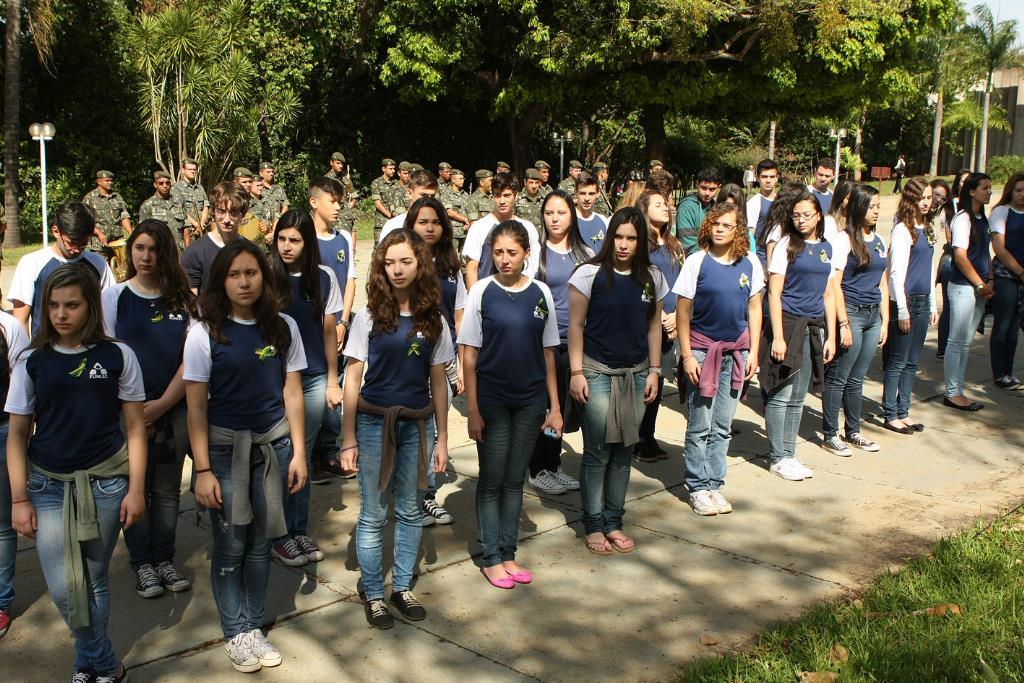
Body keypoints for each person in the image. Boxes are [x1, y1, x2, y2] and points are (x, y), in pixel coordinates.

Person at [7, 263, 147, 683]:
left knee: (94, 579)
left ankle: (86, 665)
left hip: (106, 483)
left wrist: (135, 489)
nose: (60, 314)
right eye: (53, 305)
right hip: (47, 485)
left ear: (90, 307)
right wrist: (19, 498)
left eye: (71, 305)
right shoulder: (31, 361)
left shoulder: (118, 355)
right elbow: (17, 434)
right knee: (65, 587)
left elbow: (135, 428)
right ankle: (108, 663)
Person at [184, 239, 307, 673]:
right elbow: (195, 407)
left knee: (261, 542)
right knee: (231, 543)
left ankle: (253, 626)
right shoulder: (205, 332)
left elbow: (292, 392)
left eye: (251, 273)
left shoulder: (283, 327)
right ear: (221, 280)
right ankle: (234, 631)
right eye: (234, 274)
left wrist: (299, 453)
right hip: (223, 452)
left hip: (274, 448)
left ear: (264, 277)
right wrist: (202, 469)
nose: (243, 282)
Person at [340, 230, 453, 626]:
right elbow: (352, 379)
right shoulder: (369, 316)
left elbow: (438, 381)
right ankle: (373, 593)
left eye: (405, 261)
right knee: (373, 514)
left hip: (417, 427)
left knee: (409, 511)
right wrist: (348, 437)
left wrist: (442, 437)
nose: (397, 269)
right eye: (389, 263)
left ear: (420, 264)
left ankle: (402, 586)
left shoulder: (434, 320)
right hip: (375, 425)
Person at [460, 221, 561, 587]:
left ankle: (507, 552)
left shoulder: (540, 292)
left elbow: (548, 352)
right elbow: (469, 353)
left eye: (512, 253)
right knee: (492, 479)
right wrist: (473, 409)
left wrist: (555, 406)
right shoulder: (481, 291)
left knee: (515, 480)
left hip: (530, 401)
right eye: (498, 252)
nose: (504, 259)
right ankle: (490, 557)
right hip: (492, 401)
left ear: (526, 254)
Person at [101, 219, 195, 600]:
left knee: (168, 490)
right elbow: (108, 354)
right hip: (128, 412)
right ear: (130, 252)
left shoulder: (183, 300)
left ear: (166, 253)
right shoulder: (114, 297)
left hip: (173, 408)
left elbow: (192, 360)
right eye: (139, 248)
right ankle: (142, 563)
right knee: (134, 486)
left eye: (154, 249)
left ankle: (164, 559)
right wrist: (138, 412)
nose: (146, 256)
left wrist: (161, 406)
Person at [568, 207, 666, 555]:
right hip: (596, 373)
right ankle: (593, 524)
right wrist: (576, 373)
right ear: (610, 238)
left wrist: (655, 370)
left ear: (641, 242)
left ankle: (614, 521)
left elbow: (654, 326)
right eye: (619, 237)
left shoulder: (652, 276)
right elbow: (575, 326)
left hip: (637, 375)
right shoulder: (588, 274)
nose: (624, 244)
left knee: (625, 452)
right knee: (598, 452)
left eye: (631, 238)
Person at [675, 203, 763, 515]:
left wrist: (753, 352)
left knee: (723, 425)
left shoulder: (750, 263)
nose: (720, 229)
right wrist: (687, 356)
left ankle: (714, 484)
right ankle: (697, 486)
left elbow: (755, 307)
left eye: (727, 225)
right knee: (700, 424)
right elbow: (683, 310)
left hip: (736, 353)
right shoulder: (697, 261)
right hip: (702, 351)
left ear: (738, 230)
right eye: (716, 223)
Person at [267, 210, 344, 567]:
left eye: (294, 240)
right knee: (280, 457)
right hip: (274, 381)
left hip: (312, 379)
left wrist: (332, 379)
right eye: (281, 238)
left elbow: (329, 332)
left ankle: (297, 530)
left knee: (301, 454)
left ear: (307, 243)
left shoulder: (324, 277)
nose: (286, 246)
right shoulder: (266, 275)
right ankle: (278, 534)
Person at [759, 190, 836, 481]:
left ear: (818, 216)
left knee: (798, 397)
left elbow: (829, 294)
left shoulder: (826, 247)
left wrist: (830, 335)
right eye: (796, 215)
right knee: (781, 393)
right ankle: (777, 457)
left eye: (806, 215)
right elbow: (774, 293)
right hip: (789, 324)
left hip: (813, 326)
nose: (801, 220)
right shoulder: (786, 245)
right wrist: (778, 336)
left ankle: (789, 453)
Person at [400, 196, 462, 525]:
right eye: (422, 221)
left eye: (436, 222)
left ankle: (425, 496)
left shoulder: (451, 266)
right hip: (411, 357)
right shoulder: (401, 262)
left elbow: (459, 314)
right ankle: (410, 496)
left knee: (436, 429)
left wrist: (459, 363)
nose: (430, 227)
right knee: (414, 430)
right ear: (411, 224)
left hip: (444, 358)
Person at [527, 190, 592, 495]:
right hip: (542, 344)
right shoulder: (535, 254)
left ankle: (552, 464)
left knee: (562, 408)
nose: (554, 219)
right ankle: (536, 468)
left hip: (574, 342)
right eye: (549, 213)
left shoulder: (585, 253)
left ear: (572, 216)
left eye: (561, 213)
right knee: (543, 406)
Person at [821, 184, 888, 456]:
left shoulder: (879, 240)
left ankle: (853, 431)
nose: (876, 212)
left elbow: (883, 283)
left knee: (857, 378)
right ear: (859, 207)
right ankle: (830, 434)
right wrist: (843, 323)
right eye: (872, 207)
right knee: (839, 376)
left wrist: (885, 320)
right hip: (852, 312)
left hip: (873, 314)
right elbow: (834, 284)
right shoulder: (843, 240)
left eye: (879, 207)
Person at [307, 177, 358, 483]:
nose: (338, 207)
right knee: (315, 393)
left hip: (339, 328)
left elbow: (350, 281)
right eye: (333, 201)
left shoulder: (343, 239)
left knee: (336, 389)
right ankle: (310, 455)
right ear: (314, 202)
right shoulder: (302, 239)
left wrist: (343, 322)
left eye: (340, 201)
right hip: (312, 331)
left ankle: (328, 452)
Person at [9, 202, 116, 335]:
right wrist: (27, 349)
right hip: (45, 346)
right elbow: (20, 320)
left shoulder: (99, 264)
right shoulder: (31, 263)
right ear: (56, 231)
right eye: (71, 243)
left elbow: (108, 313)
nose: (77, 249)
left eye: (83, 244)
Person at [883, 177, 937, 434]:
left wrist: (933, 303)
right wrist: (902, 309)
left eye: (929, 198)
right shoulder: (902, 230)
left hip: (923, 300)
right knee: (898, 360)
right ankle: (890, 413)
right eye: (921, 198)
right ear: (910, 200)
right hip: (906, 302)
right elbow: (896, 274)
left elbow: (929, 268)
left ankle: (903, 410)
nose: (925, 203)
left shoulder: (927, 227)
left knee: (913, 361)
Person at [634, 191, 682, 462]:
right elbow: (641, 281)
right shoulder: (642, 244)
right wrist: (661, 314)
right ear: (644, 209)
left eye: (666, 204)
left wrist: (676, 318)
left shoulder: (674, 244)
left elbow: (681, 283)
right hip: (649, 321)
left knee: (659, 380)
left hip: (672, 322)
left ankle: (648, 435)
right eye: (658, 204)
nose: (666, 208)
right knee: (645, 379)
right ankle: (638, 437)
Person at [943, 173, 993, 411]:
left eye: (990, 187)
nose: (989, 192)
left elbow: (985, 253)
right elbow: (960, 257)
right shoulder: (963, 219)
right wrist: (980, 284)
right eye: (985, 188)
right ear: (972, 191)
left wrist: (990, 279)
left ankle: (958, 389)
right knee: (956, 341)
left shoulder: (982, 218)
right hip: (964, 287)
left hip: (979, 288)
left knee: (965, 343)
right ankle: (952, 392)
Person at [0, 299, 31, 639]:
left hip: (3, 433)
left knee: (1, 526)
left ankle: (0, 602)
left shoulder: (8, 327)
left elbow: (21, 385)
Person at [462, 172, 541, 288]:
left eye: (507, 195)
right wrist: (474, 297)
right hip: (488, 294)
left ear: (516, 196)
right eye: (498, 195)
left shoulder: (528, 228)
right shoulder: (478, 227)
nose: (502, 201)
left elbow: (534, 266)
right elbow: (471, 269)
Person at [989, 172, 1024, 388]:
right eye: (1019, 190)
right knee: (1003, 324)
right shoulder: (1001, 212)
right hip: (1006, 275)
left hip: (1021, 277)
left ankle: (1008, 371)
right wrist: (1020, 271)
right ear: (1010, 191)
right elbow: (999, 249)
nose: (1022, 195)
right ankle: (999, 372)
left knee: (1014, 327)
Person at [180, 181, 247, 294]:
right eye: (221, 211)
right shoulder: (194, 253)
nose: (226, 220)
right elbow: (190, 299)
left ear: (243, 214)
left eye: (233, 213)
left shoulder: (252, 252)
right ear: (213, 211)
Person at [932, 178, 956, 359]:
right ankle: (942, 348)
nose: (938, 200)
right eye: (936, 195)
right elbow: (950, 239)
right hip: (949, 261)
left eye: (943, 198)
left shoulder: (947, 211)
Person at [379, 170, 439, 241]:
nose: (429, 201)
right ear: (410, 194)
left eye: (432, 196)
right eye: (424, 195)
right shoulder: (394, 226)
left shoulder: (439, 226)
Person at [675, 168, 722, 256]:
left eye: (712, 189)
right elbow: (688, 245)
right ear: (697, 184)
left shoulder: (716, 208)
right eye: (704, 188)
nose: (707, 193)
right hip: (695, 258)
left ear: (719, 187)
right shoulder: (687, 208)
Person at [83, 170, 132, 251]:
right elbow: (85, 221)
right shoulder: (90, 198)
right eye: (107, 180)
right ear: (99, 181)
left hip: (117, 243)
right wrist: (99, 233)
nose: (110, 183)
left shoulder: (117, 197)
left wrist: (131, 233)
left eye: (111, 181)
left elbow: (124, 216)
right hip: (99, 244)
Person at [139, 171, 186, 250]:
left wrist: (187, 249)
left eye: (167, 183)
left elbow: (186, 227)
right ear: (155, 185)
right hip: (160, 251)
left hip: (179, 250)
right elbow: (144, 233)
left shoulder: (178, 202)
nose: (165, 186)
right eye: (161, 183)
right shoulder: (148, 205)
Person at [171, 157, 209, 248]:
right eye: (190, 169)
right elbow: (180, 211)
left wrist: (201, 224)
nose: (192, 171)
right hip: (187, 233)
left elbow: (206, 206)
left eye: (194, 169)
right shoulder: (176, 188)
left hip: (202, 231)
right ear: (183, 170)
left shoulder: (199, 188)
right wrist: (197, 225)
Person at [745, 159, 779, 244]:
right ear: (757, 178)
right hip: (760, 251)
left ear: (776, 178)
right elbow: (750, 234)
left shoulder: (782, 200)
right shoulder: (753, 203)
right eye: (764, 177)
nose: (768, 180)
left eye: (772, 177)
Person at [575, 173, 610, 246]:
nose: (587, 198)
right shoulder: (567, 220)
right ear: (575, 192)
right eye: (582, 193)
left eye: (591, 194)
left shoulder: (604, 221)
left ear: (598, 193)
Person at [370, 158, 399, 243]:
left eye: (394, 169)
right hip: (381, 222)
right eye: (390, 168)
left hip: (395, 221)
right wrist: (389, 215)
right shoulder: (376, 183)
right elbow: (377, 203)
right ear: (383, 169)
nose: (393, 171)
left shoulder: (396, 183)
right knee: (379, 245)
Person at [442, 169, 472, 249]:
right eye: (460, 178)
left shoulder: (465, 195)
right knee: (453, 255)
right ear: (453, 180)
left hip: (465, 231)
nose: (463, 180)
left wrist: (468, 223)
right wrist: (465, 220)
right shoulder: (446, 194)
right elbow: (449, 212)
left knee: (464, 255)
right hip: (453, 232)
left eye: (463, 178)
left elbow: (469, 210)